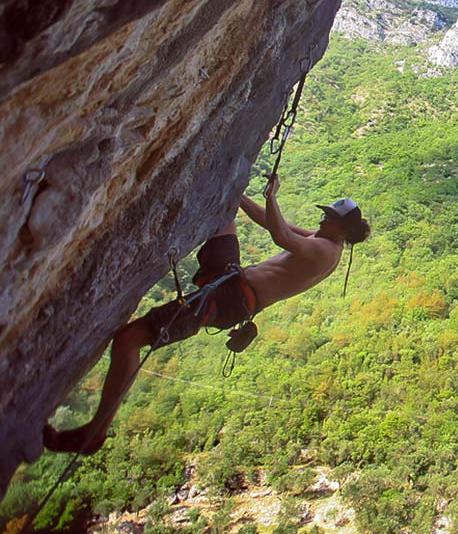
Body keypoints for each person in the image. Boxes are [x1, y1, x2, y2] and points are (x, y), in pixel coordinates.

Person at [42, 174, 369, 454]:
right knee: (223, 217)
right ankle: (95, 429)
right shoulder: (322, 239)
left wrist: (272, 196)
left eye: (329, 217)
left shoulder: (325, 251)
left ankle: (96, 430)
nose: (322, 219)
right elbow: (270, 222)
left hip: (227, 302)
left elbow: (280, 235)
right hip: (232, 282)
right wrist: (236, 192)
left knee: (128, 340)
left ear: (343, 228)